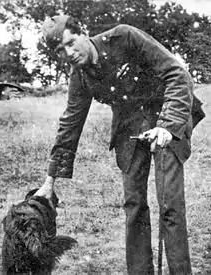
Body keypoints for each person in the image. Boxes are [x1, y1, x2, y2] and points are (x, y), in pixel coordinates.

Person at [35, 14, 205, 274]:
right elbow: (70, 124)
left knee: (170, 204)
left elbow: (177, 74)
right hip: (130, 126)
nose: (68, 53)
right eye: (60, 50)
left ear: (82, 33)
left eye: (70, 43)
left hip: (167, 114)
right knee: (134, 205)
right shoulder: (80, 76)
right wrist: (50, 181)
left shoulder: (124, 37)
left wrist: (167, 125)